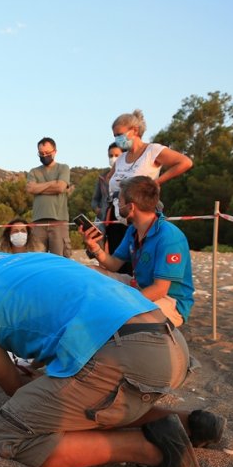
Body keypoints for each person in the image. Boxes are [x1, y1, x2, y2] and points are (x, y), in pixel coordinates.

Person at [0, 240, 225, 467]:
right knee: (87, 399)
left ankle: (155, 450)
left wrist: (31, 384)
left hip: (127, 356)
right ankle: (191, 423)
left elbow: (12, 385)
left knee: (5, 435)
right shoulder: (35, 260)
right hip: (170, 341)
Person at [81, 176, 194, 327]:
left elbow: (160, 289)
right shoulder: (133, 230)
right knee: (90, 272)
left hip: (170, 300)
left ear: (131, 207)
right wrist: (95, 247)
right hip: (141, 287)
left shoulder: (169, 237)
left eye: (119, 202)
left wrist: (125, 303)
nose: (117, 206)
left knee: (122, 318)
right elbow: (114, 265)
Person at [108, 110, 193, 273]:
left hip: (141, 217)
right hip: (118, 217)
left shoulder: (152, 151)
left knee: (142, 265)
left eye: (119, 134)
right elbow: (108, 180)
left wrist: (156, 182)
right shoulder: (120, 158)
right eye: (114, 136)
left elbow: (185, 162)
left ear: (134, 130)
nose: (117, 139)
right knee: (119, 267)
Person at [25, 137, 71, 256]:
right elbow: (30, 189)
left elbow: (60, 187)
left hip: (59, 220)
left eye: (47, 153)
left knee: (60, 259)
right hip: (38, 221)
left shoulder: (63, 168)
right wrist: (52, 183)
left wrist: (38, 188)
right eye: (41, 153)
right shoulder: (33, 171)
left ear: (55, 152)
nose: (44, 155)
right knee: (37, 259)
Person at [90, 142, 123, 253]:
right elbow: (95, 199)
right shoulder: (102, 177)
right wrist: (97, 209)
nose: (113, 158)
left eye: (117, 155)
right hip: (104, 220)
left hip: (122, 220)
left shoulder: (129, 175)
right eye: (110, 155)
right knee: (100, 251)